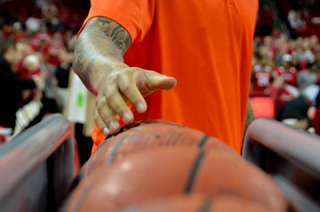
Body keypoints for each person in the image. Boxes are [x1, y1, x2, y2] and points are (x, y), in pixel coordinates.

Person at [73, 1, 258, 154]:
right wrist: (109, 72)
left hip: (222, 176)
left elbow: (230, 85)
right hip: (138, 174)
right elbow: (96, 35)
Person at [0, 38, 40, 132]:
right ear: (11, 51)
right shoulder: (2, 65)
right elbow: (12, 83)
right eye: (19, 52)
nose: (21, 56)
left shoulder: (6, 65)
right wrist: (32, 82)